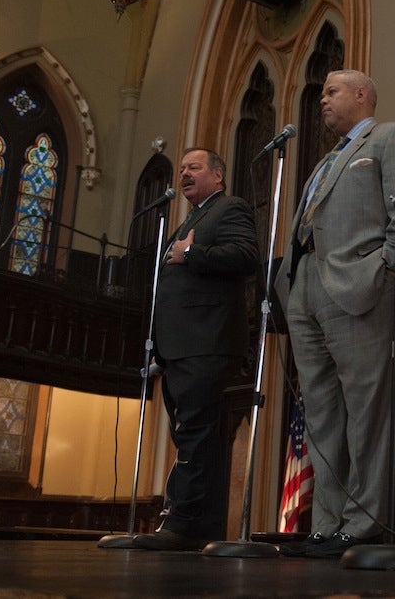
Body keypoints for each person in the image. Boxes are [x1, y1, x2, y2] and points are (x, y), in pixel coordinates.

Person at [273, 69, 395, 559]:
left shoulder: (389, 137)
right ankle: (326, 526)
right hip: (306, 289)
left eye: (331, 91)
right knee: (320, 413)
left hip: (361, 283)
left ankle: (364, 524)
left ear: (362, 94)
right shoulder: (326, 160)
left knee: (366, 411)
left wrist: (388, 271)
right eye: (322, 91)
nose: (322, 99)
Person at [132, 149, 260, 551]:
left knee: (198, 434)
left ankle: (187, 525)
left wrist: (191, 253)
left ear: (218, 176)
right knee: (187, 433)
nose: (185, 173)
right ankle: (188, 523)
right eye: (182, 168)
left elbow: (245, 256)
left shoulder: (230, 209)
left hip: (208, 341)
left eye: (194, 168)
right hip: (179, 345)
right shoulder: (188, 218)